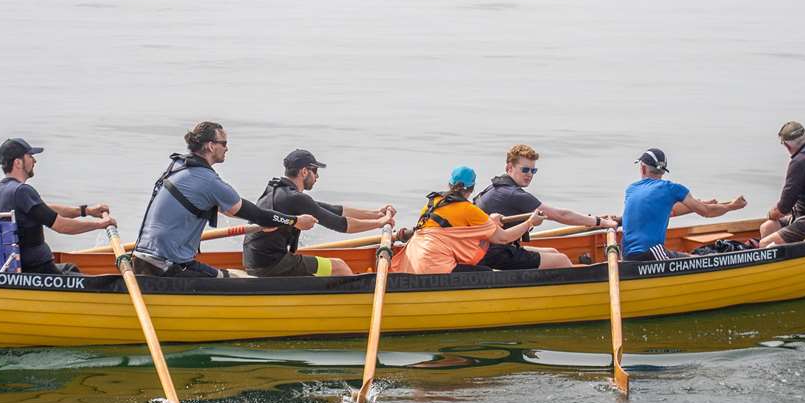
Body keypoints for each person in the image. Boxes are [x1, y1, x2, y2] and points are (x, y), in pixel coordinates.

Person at [133, 121, 317, 278]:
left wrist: (265, 222)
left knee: (234, 274)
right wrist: (294, 221)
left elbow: (230, 210)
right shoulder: (208, 181)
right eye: (224, 143)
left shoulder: (179, 167)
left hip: (141, 259)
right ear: (211, 146)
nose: (227, 148)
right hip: (167, 266)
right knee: (242, 280)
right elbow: (255, 214)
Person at [241, 149, 396, 277]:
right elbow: (342, 225)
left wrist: (377, 214)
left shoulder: (280, 191)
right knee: (339, 267)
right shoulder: (295, 198)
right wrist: (380, 223)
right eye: (314, 171)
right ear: (304, 172)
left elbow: (335, 210)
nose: (317, 177)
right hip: (271, 265)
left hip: (254, 261)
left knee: (323, 267)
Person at [473, 143, 618, 269]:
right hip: (495, 254)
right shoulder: (513, 194)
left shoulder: (492, 188)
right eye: (525, 170)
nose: (529, 174)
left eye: (533, 170)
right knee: (561, 260)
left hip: (485, 251)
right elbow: (561, 215)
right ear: (509, 168)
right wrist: (601, 222)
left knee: (554, 252)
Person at [0, 138, 117, 276]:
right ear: (18, 163)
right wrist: (99, 225)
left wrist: (85, 211)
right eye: (30, 156)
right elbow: (61, 226)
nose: (34, 161)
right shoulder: (22, 191)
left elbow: (45, 210)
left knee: (71, 268)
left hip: (19, 267)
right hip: (38, 271)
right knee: (95, 284)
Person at [399, 166, 547, 274]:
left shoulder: (431, 203)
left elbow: (460, 229)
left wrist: (490, 222)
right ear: (472, 188)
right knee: (487, 274)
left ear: (449, 184)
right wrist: (530, 223)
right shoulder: (468, 209)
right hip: (435, 267)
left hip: (412, 263)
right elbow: (503, 238)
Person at [620, 147, 747, 261]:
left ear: (642, 168)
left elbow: (670, 211)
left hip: (625, 255)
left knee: (690, 257)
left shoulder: (631, 189)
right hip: (649, 253)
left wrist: (697, 204)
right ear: (663, 171)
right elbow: (707, 212)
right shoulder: (671, 188)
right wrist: (731, 206)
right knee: (702, 260)